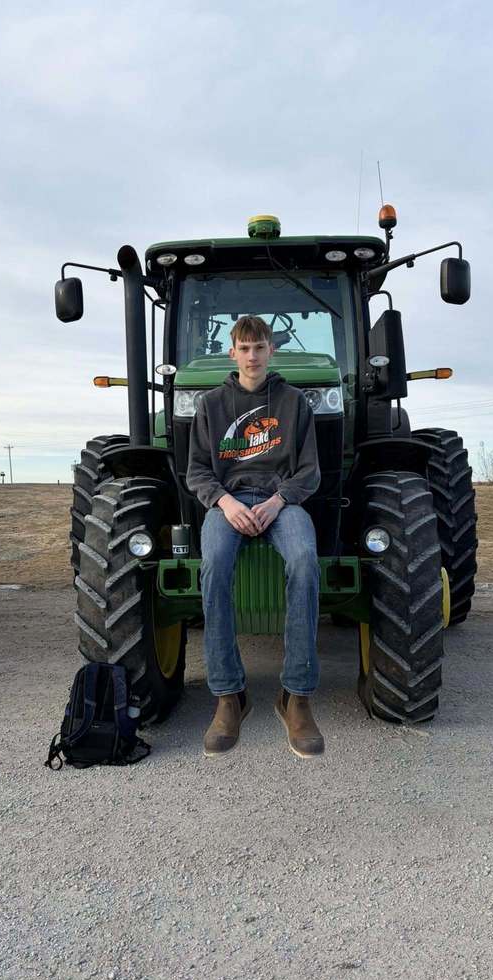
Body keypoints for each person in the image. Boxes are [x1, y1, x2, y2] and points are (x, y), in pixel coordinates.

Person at [186, 314, 324, 759]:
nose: (252, 355)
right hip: (228, 503)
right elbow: (198, 472)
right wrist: (226, 503)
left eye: (260, 347)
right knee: (213, 567)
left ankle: (296, 696)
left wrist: (277, 502)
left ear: (271, 351)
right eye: (244, 348)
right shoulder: (210, 405)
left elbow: (309, 471)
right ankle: (230, 696)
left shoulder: (294, 402)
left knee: (305, 561)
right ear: (233, 353)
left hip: (281, 503)